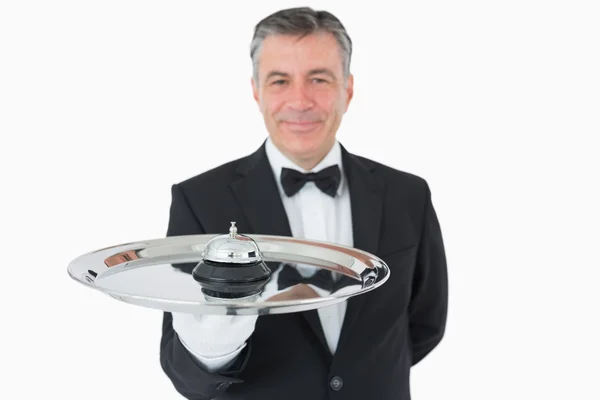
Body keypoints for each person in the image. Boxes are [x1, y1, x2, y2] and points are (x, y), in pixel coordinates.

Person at [160, 7, 448, 400]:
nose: (300, 100)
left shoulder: (408, 195)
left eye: (319, 78)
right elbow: (184, 368)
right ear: (256, 91)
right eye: (280, 81)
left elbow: (425, 324)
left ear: (347, 89)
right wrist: (219, 339)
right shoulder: (199, 200)